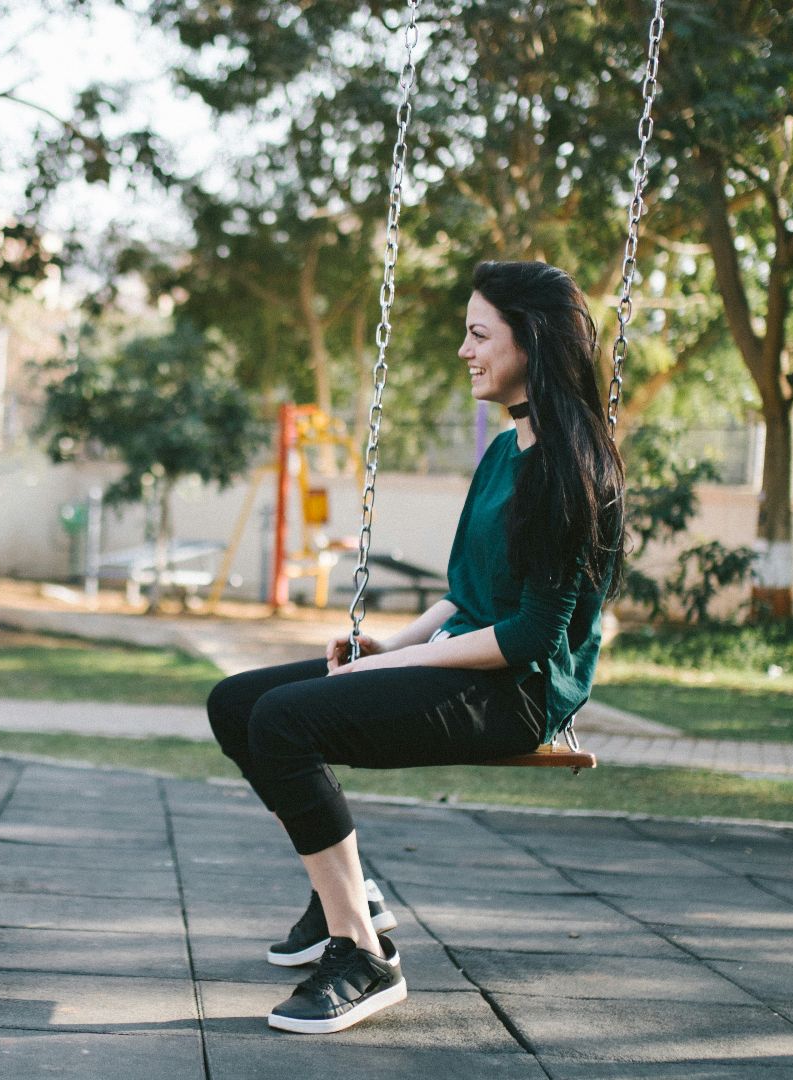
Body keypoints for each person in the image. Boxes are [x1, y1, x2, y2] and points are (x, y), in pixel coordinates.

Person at [206, 260, 625, 1034]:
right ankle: (349, 892)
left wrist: (403, 662)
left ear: (530, 341)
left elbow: (531, 634)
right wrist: (388, 642)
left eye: (479, 333)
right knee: (237, 704)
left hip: (519, 690)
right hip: (467, 655)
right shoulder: (505, 452)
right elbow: (467, 592)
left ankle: (361, 954)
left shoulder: (570, 468)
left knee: (285, 723)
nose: (465, 350)